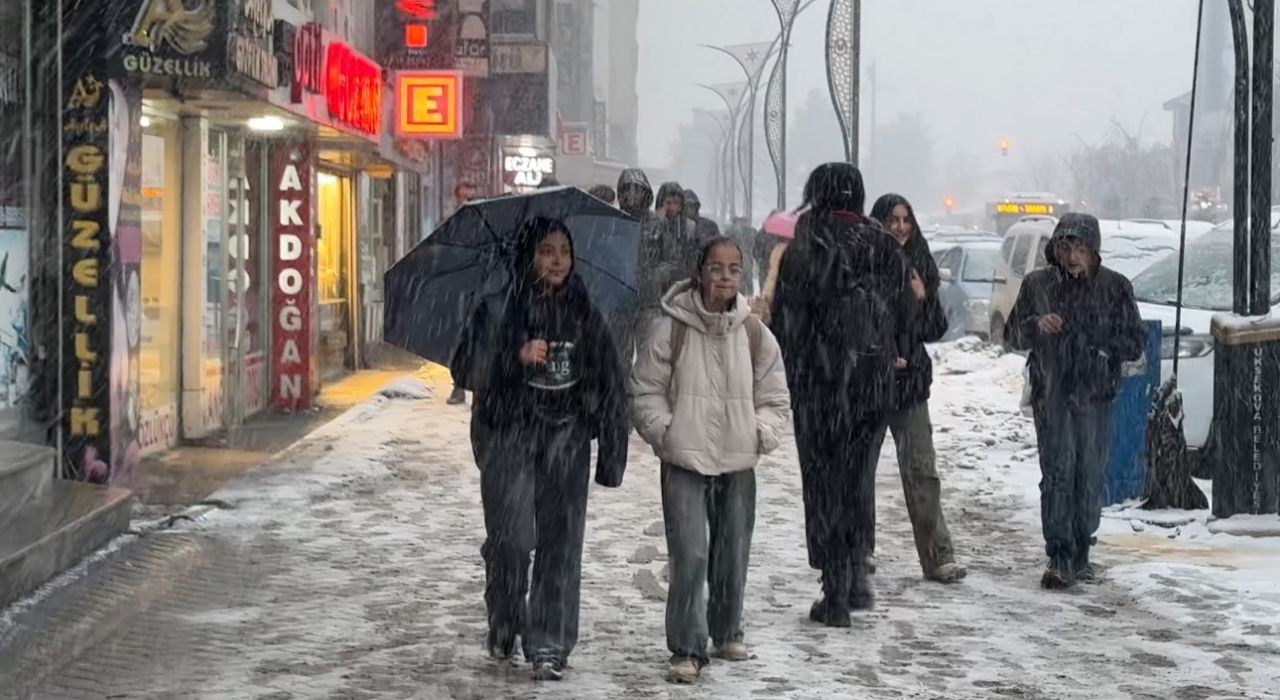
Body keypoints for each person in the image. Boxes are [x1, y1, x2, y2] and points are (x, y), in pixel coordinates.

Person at [467, 216, 630, 680]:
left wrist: (613, 448)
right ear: (528, 256)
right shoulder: (498, 308)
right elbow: (468, 370)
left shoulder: (585, 310)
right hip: (509, 435)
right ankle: (504, 613)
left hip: (567, 437)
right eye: (545, 250)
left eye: (563, 250)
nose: (557, 260)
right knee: (512, 541)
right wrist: (512, 355)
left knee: (560, 544)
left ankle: (550, 642)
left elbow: (610, 381)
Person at [630, 237, 791, 684]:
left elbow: (775, 395)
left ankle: (726, 629)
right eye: (716, 268)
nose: (725, 277)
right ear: (699, 271)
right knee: (691, 553)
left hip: (738, 458)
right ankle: (687, 645)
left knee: (732, 549)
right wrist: (666, 432)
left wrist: (761, 433)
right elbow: (645, 390)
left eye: (734, 269)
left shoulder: (754, 332)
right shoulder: (671, 328)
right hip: (684, 458)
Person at [770, 163, 911, 626]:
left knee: (823, 483)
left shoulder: (805, 246)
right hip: (873, 384)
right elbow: (912, 315)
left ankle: (834, 588)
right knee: (857, 480)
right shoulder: (885, 245)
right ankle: (855, 572)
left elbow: (784, 325)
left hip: (819, 385)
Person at [1005, 213, 1145, 590]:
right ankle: (1060, 553)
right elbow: (1012, 334)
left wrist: (1102, 348)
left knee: (1089, 475)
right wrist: (1036, 324)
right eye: (1065, 246)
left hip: (1095, 394)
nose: (1072, 256)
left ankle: (1082, 547)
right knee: (1058, 474)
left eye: (1081, 247)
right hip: (1051, 393)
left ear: (1094, 251)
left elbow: (1135, 341)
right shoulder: (1038, 284)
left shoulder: (1115, 287)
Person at [867, 193, 967, 584]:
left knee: (922, 471)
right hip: (869, 385)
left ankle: (938, 555)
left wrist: (922, 298)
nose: (900, 227)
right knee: (860, 474)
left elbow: (935, 329)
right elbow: (855, 322)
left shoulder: (922, 264)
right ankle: (860, 552)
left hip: (910, 386)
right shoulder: (864, 265)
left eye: (906, 219)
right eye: (892, 219)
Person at [448, 180, 483, 405]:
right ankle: (459, 385)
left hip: (483, 289)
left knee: (483, 337)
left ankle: (480, 383)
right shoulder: (453, 226)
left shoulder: (486, 224)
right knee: (461, 336)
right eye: (465, 198)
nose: (469, 202)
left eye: (472, 198)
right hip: (461, 289)